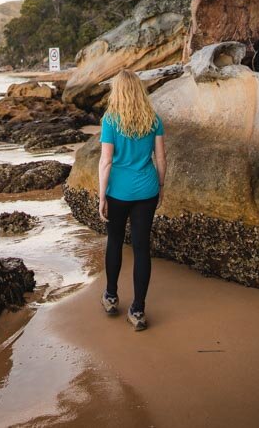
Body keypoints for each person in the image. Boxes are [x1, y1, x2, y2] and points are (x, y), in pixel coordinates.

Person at [98, 69, 166, 330]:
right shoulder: (153, 119)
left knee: (114, 241)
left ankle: (111, 297)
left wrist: (102, 195)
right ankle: (138, 310)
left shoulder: (110, 120)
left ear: (118, 91)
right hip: (147, 191)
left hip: (118, 192)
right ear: (139, 90)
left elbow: (105, 161)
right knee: (141, 248)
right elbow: (161, 158)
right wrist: (160, 186)